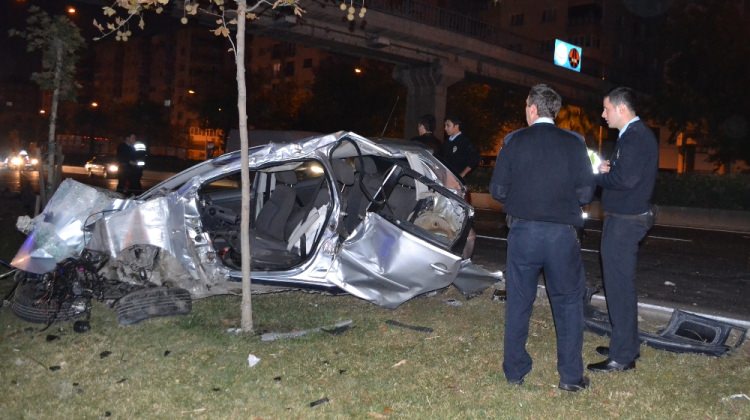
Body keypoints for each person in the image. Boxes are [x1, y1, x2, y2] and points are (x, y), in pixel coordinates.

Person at [490, 84, 595, 392]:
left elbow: (497, 191)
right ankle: (571, 377)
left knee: (519, 302)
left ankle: (515, 371)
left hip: (523, 233)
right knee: (567, 303)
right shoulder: (574, 143)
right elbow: (587, 192)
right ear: (554, 111)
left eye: (526, 106)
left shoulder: (513, 142)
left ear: (533, 109)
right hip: (562, 235)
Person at [587, 87, 658, 373]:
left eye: (606, 109)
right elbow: (625, 172)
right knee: (620, 286)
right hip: (624, 219)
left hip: (626, 221)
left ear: (621, 109)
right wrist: (609, 168)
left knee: (618, 288)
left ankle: (622, 356)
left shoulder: (636, 137)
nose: (603, 115)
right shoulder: (632, 135)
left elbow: (625, 179)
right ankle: (625, 344)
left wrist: (598, 175)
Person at [441, 116, 480, 181]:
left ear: (456, 126)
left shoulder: (464, 141)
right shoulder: (447, 142)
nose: (445, 128)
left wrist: (462, 175)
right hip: (446, 178)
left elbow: (475, 158)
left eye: (448, 125)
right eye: (445, 125)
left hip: (457, 181)